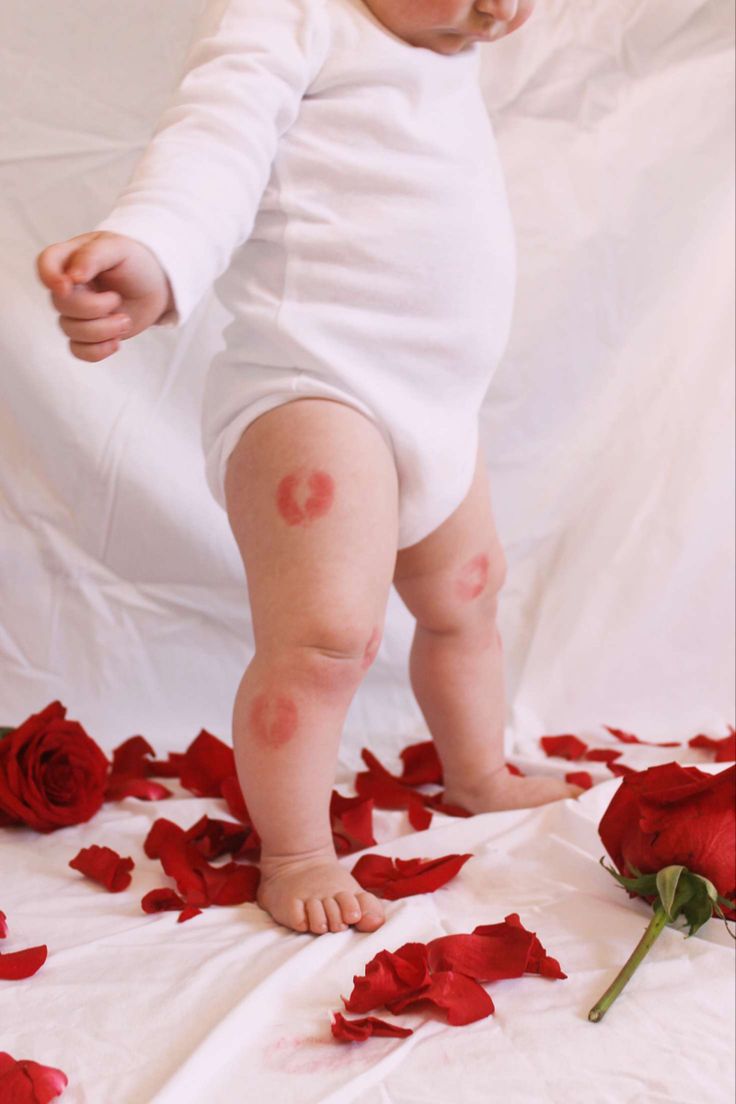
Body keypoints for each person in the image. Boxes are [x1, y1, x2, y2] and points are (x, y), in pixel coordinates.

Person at [36, 0, 581, 938]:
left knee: (468, 598)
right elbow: (216, 143)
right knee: (328, 635)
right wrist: (157, 253)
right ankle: (293, 853)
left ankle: (477, 770)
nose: (497, 8)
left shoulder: (431, 37)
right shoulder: (287, 18)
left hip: (440, 405)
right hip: (314, 391)